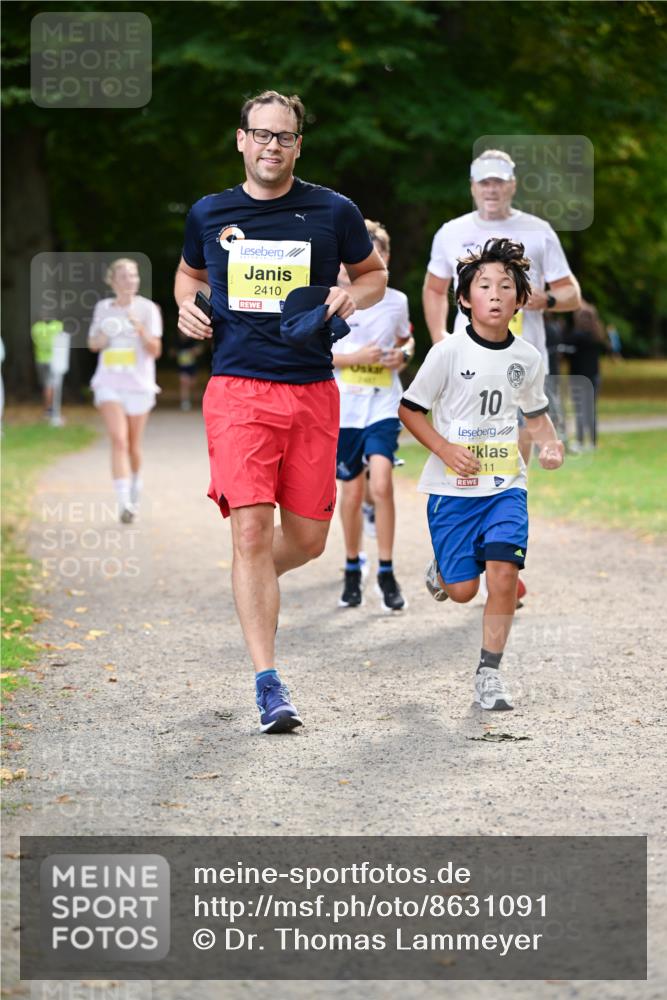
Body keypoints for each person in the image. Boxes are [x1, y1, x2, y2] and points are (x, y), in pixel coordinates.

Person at [174, 90, 387, 734]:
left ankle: (251, 581)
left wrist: (350, 294)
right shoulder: (210, 213)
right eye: (261, 134)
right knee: (249, 530)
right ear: (240, 139)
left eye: (285, 136)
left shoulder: (333, 210)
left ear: (299, 144)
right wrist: (186, 305)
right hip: (238, 389)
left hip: (314, 391)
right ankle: (269, 684)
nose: (272, 145)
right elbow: (188, 276)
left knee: (309, 540)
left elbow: (371, 275)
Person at [399, 238, 564, 711]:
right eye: (484, 285)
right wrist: (446, 448)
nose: (495, 293)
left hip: (505, 486)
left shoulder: (528, 358)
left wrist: (550, 445)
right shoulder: (448, 353)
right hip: (453, 490)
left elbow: (535, 418)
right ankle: (444, 567)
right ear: (465, 299)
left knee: (504, 573)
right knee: (462, 591)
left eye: (506, 285)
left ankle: (489, 673)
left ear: (520, 300)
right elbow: (409, 411)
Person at [422, 149, 581, 465]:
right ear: (472, 187)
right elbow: (434, 289)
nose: (491, 189)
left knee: (513, 457)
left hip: (523, 359)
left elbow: (571, 294)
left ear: (512, 185)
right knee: (466, 449)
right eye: (484, 183)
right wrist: (440, 337)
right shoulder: (451, 232)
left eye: (498, 182)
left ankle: (509, 510)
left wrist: (546, 299)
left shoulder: (538, 231)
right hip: (466, 360)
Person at [332, 220, 414, 612]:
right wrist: (353, 358)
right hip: (344, 408)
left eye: (379, 253)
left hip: (383, 404)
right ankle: (352, 567)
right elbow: (312, 350)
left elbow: (405, 340)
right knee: (350, 491)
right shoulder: (333, 298)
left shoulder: (397, 301)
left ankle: (386, 570)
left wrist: (405, 354)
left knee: (380, 484)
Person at [87, 258, 162, 523]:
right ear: (113, 280)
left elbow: (155, 350)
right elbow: (93, 344)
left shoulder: (148, 309)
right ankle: (123, 503)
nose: (130, 280)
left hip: (139, 384)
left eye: (133, 275)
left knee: (132, 445)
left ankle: (135, 486)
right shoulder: (103, 308)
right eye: (124, 275)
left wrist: (139, 328)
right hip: (108, 382)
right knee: (118, 440)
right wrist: (103, 337)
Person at [562, 300, 608, 450]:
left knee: (580, 410)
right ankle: (593, 442)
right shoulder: (597, 335)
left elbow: (565, 354)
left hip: (578, 378)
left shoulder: (576, 336)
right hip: (594, 376)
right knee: (591, 410)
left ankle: (581, 441)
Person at [31, 316, 63, 417]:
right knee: (51, 385)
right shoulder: (58, 326)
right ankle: (50, 409)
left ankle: (48, 409)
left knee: (46, 385)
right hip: (53, 360)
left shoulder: (36, 327)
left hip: (40, 359)